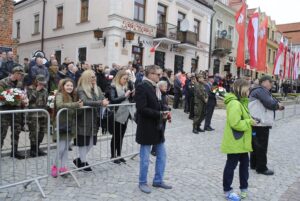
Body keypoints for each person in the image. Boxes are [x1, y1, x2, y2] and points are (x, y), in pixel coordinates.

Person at [135, 65, 172, 194]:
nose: (159, 76)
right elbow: (141, 108)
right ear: (150, 74)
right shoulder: (142, 86)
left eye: (160, 74)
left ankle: (158, 180)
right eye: (157, 74)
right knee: (145, 158)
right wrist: (159, 114)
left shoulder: (155, 87)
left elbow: (158, 104)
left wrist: (166, 111)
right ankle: (142, 182)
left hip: (158, 127)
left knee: (162, 155)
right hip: (146, 128)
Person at [221, 79, 258, 201]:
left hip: (241, 142)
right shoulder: (235, 103)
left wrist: (249, 119)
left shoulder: (241, 102)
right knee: (231, 166)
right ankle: (227, 191)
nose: (249, 91)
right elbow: (235, 123)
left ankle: (244, 188)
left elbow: (242, 117)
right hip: (235, 141)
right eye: (247, 89)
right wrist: (249, 121)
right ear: (241, 89)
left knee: (244, 166)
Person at [74, 70, 109, 171]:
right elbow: (84, 101)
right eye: (92, 77)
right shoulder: (81, 89)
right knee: (83, 141)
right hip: (84, 118)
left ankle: (80, 160)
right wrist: (100, 102)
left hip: (95, 118)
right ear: (86, 78)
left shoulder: (97, 88)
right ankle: (83, 162)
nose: (94, 79)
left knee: (91, 142)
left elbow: (102, 98)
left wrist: (105, 101)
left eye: (94, 77)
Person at [249, 75, 284, 175]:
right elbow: (270, 103)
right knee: (261, 146)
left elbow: (271, 100)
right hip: (261, 123)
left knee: (255, 145)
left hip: (257, 122)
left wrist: (276, 103)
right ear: (264, 82)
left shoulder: (258, 90)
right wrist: (279, 106)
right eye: (270, 82)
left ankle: (254, 164)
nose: (272, 84)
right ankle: (261, 168)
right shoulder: (261, 90)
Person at [51, 78, 83, 177]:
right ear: (63, 86)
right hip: (61, 125)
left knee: (65, 149)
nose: (70, 87)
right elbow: (60, 105)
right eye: (67, 85)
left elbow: (74, 111)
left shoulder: (72, 96)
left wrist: (79, 107)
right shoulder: (60, 94)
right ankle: (54, 166)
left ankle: (63, 168)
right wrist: (76, 104)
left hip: (69, 125)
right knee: (61, 148)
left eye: (71, 86)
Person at [0, 66, 28, 159]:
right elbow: (1, 98)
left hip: (17, 111)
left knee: (16, 132)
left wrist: (24, 99)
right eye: (20, 75)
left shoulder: (20, 83)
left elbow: (23, 94)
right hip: (5, 111)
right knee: (2, 133)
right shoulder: (3, 82)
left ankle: (14, 151)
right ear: (15, 73)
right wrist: (14, 99)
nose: (21, 76)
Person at [108, 70, 134, 164]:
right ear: (119, 78)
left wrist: (131, 95)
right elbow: (113, 100)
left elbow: (128, 99)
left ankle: (119, 155)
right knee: (116, 135)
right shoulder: (113, 86)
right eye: (124, 79)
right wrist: (124, 96)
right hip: (117, 114)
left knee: (121, 135)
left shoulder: (125, 87)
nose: (125, 81)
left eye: (126, 79)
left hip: (125, 114)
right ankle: (113, 156)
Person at [26, 75, 49, 157]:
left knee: (42, 132)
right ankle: (33, 149)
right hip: (33, 114)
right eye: (40, 83)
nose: (42, 85)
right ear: (36, 81)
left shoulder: (45, 90)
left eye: (43, 83)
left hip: (43, 114)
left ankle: (38, 148)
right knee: (34, 132)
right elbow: (28, 100)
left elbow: (46, 101)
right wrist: (36, 90)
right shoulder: (30, 88)